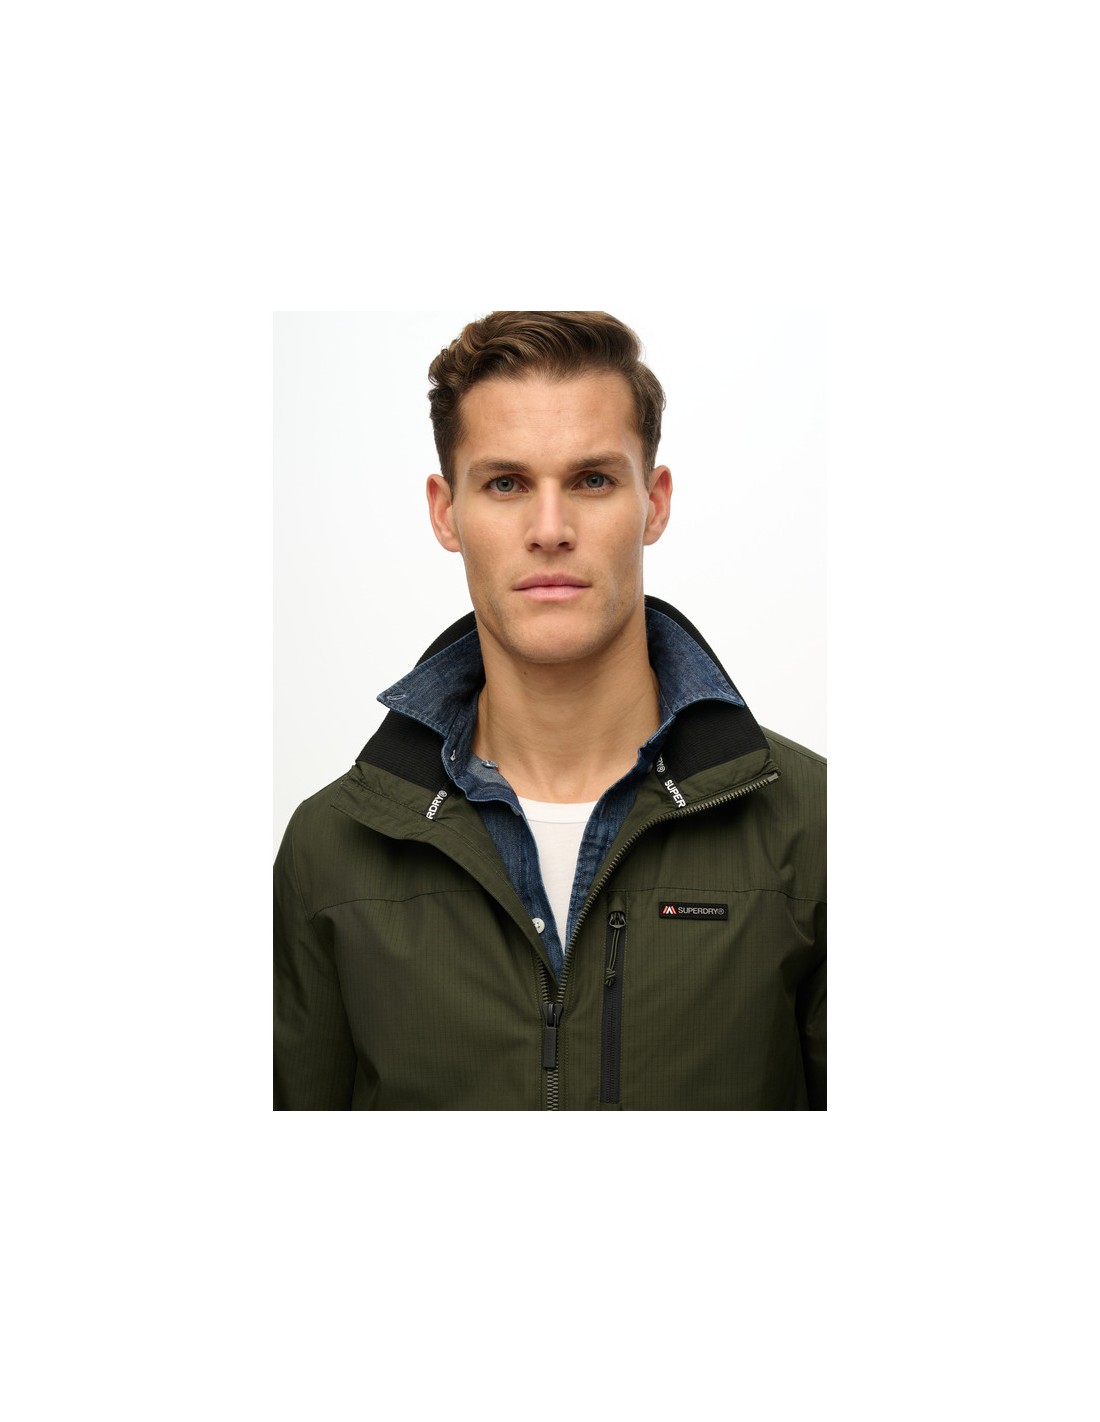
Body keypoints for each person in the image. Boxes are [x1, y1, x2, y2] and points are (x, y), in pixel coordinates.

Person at [274, 311, 826, 1110]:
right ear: (445, 512)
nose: (550, 530)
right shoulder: (331, 852)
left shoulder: (815, 829)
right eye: (505, 484)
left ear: (654, 503)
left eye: (592, 480)